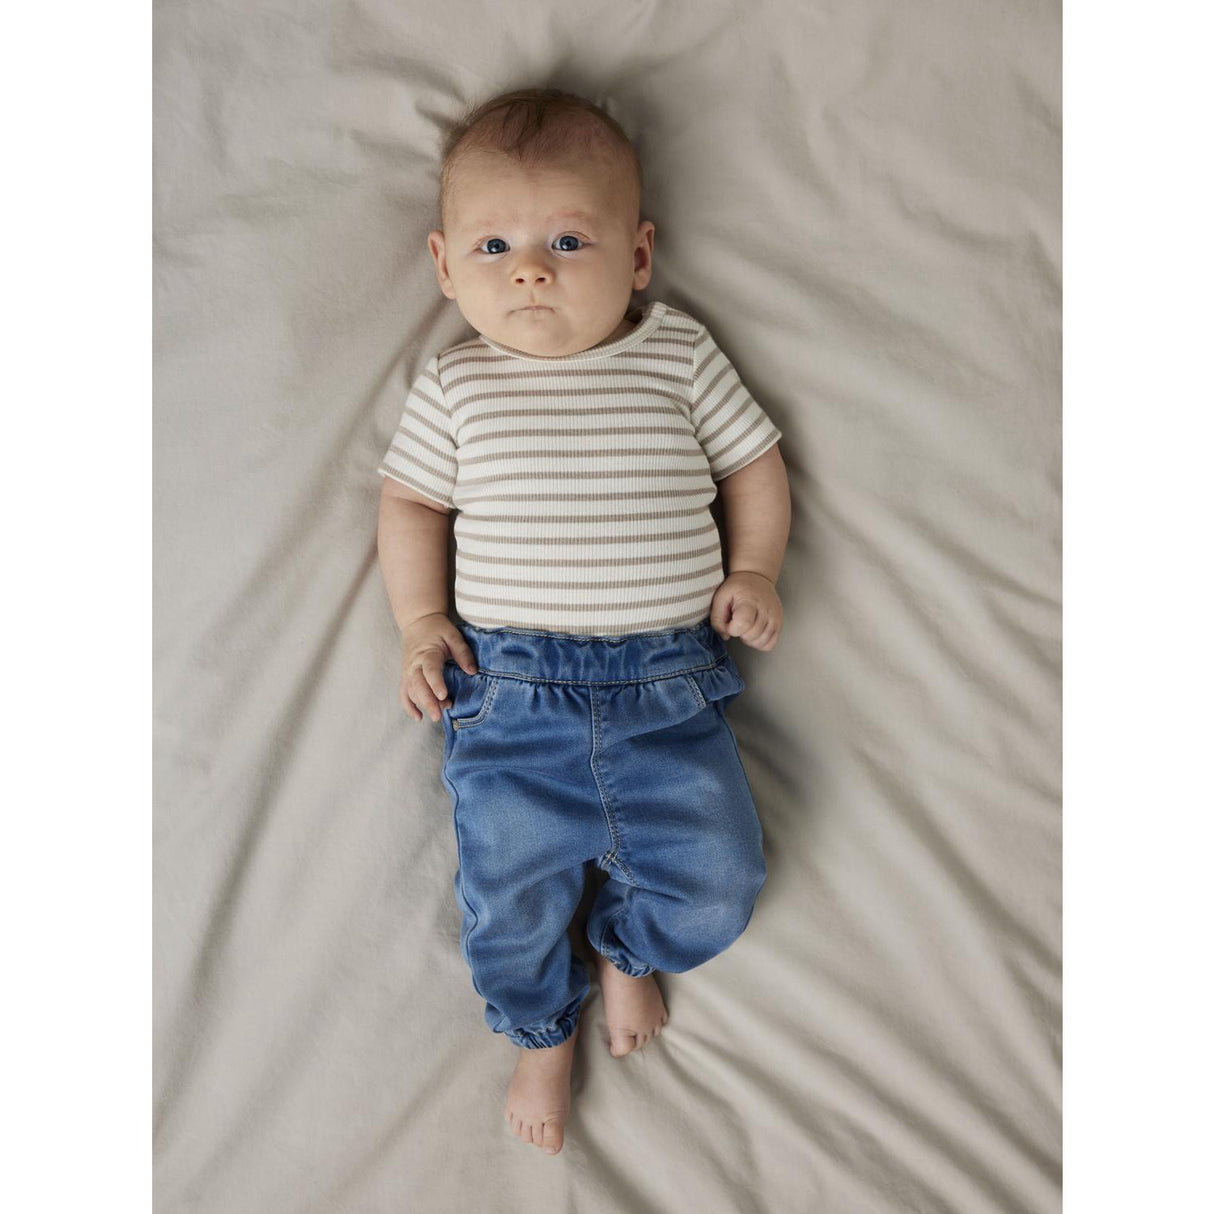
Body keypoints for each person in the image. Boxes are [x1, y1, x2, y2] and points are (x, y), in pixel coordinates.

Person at [375, 88, 791, 1157]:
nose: (530, 271)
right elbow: (411, 503)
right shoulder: (457, 385)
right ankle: (540, 1031)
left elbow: (752, 462)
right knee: (505, 897)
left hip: (668, 693)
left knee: (721, 876)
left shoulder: (678, 355)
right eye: (494, 246)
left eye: (567, 240)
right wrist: (421, 619)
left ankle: (625, 947)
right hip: (510, 700)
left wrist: (754, 565)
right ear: (443, 267)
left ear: (638, 256)